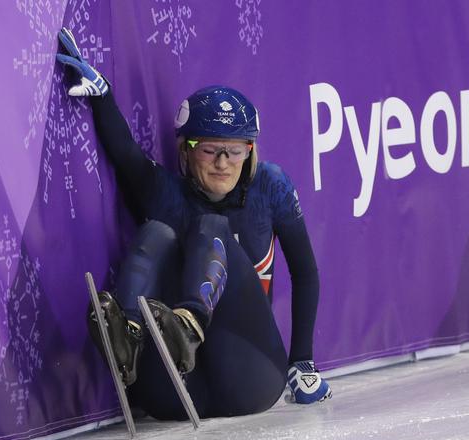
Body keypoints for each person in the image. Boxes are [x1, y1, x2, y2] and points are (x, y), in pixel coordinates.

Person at [56, 27, 331, 419]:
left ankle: (189, 323)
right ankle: (128, 336)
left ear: (249, 152)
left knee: (210, 226)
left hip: (250, 376)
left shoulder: (270, 185)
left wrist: (301, 361)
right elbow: (125, 154)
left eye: (234, 151)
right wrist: (102, 97)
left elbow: (305, 272)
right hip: (178, 390)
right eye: (209, 150)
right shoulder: (165, 191)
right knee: (156, 231)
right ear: (185, 153)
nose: (223, 162)